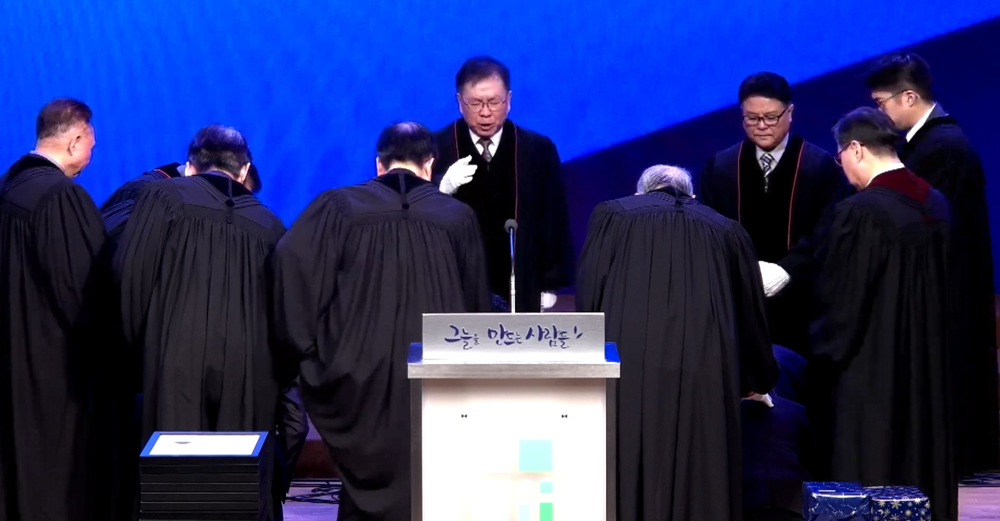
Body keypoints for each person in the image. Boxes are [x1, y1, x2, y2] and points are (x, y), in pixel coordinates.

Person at [270, 122, 491, 520]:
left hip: (356, 375)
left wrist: (304, 349)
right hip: (435, 375)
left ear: (378, 164)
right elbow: (474, 308)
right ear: (430, 164)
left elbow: (289, 260)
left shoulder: (338, 206)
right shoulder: (456, 216)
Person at [576, 164, 779, 521]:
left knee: (630, 465)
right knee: (701, 473)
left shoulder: (613, 215)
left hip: (629, 369)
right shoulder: (727, 229)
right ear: (692, 195)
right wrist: (755, 379)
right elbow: (750, 313)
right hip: (708, 369)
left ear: (639, 193)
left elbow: (590, 295)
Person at [113, 125, 289, 519]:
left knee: (173, 484)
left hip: (174, 363)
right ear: (245, 170)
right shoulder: (270, 226)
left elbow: (130, 280)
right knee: (236, 484)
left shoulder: (161, 198)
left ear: (191, 166)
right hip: (248, 373)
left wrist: (140, 355)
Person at [811, 107, 956, 520]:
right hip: (929, 374)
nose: (842, 168)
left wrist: (818, 354)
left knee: (869, 472)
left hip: (870, 373)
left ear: (855, 149)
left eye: (840, 157)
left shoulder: (860, 212)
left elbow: (841, 304)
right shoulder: (936, 202)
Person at [866, 51, 998, 476]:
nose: (879, 113)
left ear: (908, 97)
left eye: (881, 102)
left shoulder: (943, 147)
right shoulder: (926, 143)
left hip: (947, 289)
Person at [0, 98, 112, 520]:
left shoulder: (8, 186)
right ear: (75, 139)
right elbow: (85, 296)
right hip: (53, 377)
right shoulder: (62, 199)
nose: (91, 155)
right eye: (91, 145)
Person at [698, 72, 851, 355]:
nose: (761, 126)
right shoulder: (721, 167)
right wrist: (741, 270)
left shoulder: (818, 167)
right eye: (752, 118)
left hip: (803, 308)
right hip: (740, 303)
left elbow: (829, 232)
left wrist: (786, 270)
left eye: (770, 117)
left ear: (790, 113)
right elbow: (708, 229)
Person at [433, 56, 573, 312]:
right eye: (475, 103)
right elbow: (416, 218)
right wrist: (440, 189)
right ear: (459, 103)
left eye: (494, 102)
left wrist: (550, 282)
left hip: (524, 284)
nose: (485, 112)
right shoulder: (437, 148)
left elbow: (554, 218)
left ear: (508, 100)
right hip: (454, 287)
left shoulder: (537, 150)